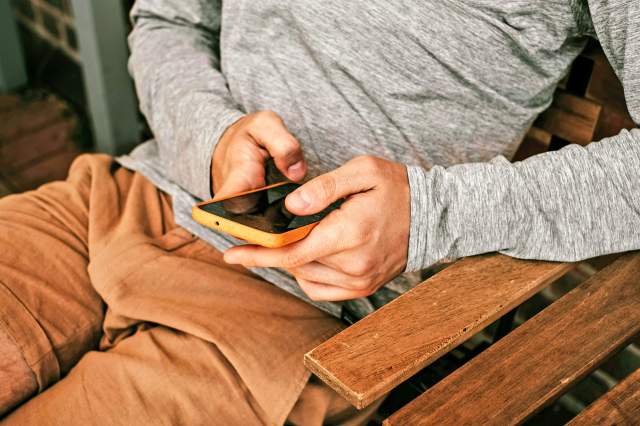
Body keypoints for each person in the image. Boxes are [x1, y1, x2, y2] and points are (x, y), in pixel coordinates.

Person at [1, 0, 638, 424]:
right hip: (116, 202)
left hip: (301, 321)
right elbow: (168, 18)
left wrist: (431, 215)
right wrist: (215, 137)